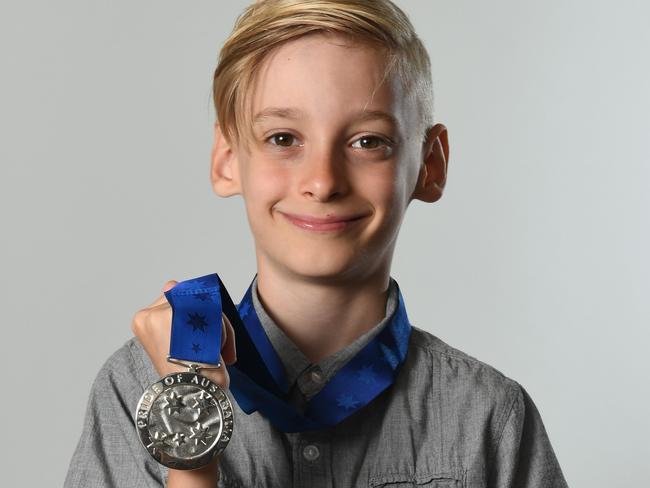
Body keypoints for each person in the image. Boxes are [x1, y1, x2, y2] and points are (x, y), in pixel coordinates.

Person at [65, 1, 569, 487]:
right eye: (283, 138)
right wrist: (189, 428)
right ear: (226, 159)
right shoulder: (136, 388)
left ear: (429, 165)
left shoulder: (489, 416)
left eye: (368, 141)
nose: (323, 181)